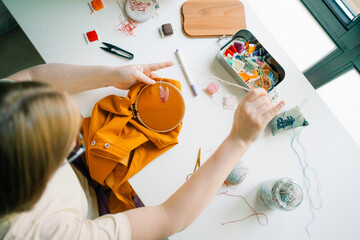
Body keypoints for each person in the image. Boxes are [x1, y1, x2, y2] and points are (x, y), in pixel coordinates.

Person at [0, 62, 284, 240]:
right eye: (63, 145)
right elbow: (169, 219)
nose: (75, 134)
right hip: (91, 211)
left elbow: (33, 75)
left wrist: (109, 74)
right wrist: (239, 141)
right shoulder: (43, 234)